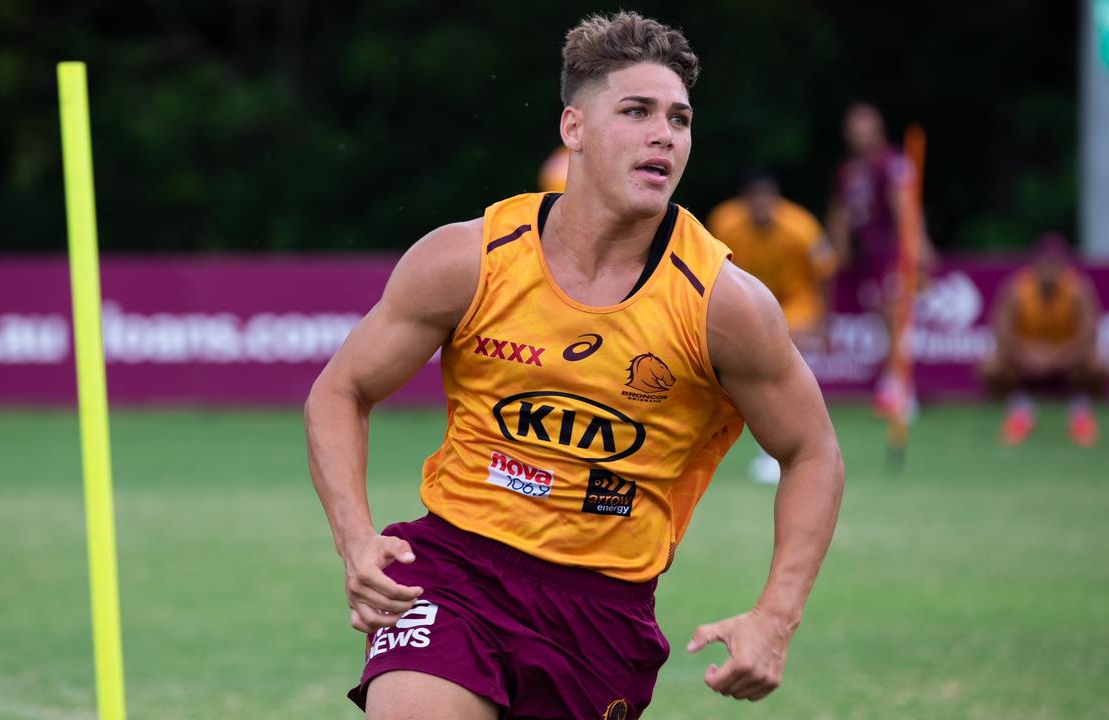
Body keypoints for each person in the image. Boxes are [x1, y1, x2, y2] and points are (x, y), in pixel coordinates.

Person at [305, 12, 844, 719]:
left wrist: (776, 616)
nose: (664, 134)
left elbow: (813, 452)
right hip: (453, 572)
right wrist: (355, 541)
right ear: (574, 129)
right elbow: (340, 390)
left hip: (601, 615)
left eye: (679, 119)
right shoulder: (468, 259)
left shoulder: (724, 303)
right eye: (637, 112)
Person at [708, 173, 837, 484]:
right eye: (756, 201)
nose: (762, 207)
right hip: (748, 301)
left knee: (779, 347)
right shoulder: (724, 221)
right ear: (746, 201)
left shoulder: (802, 227)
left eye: (769, 200)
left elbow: (826, 272)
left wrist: (826, 320)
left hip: (796, 303)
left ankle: (780, 449)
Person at [826, 102, 933, 418]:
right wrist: (839, 247)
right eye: (854, 130)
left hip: (891, 254)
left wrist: (917, 250)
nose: (860, 136)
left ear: (877, 130)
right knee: (885, 320)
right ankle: (893, 383)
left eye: (865, 129)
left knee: (894, 316)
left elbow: (906, 208)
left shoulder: (892, 163)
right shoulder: (848, 170)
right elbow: (840, 212)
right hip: (865, 257)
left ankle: (901, 388)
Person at [979, 232, 1108, 446]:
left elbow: (1088, 338)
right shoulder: (1017, 289)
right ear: (1035, 264)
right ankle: (1021, 411)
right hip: (1027, 356)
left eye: (1055, 263)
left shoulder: (1079, 290)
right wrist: (1029, 357)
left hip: (1066, 356)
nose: (1049, 269)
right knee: (991, 366)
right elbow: (1003, 335)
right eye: (1045, 262)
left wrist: (1053, 359)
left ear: (1064, 265)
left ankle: (1081, 413)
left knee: (1100, 364)